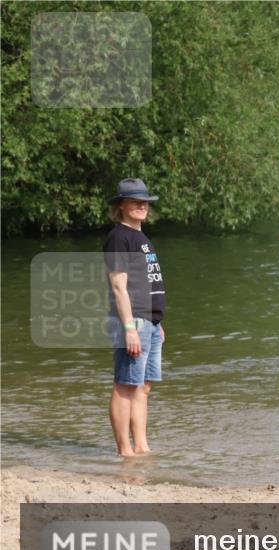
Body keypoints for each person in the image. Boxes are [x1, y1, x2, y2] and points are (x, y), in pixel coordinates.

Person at [103, 178, 165, 457]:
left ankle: (141, 447)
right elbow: (119, 286)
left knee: (143, 386)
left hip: (149, 322)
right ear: (121, 206)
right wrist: (129, 328)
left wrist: (157, 323)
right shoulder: (119, 237)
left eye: (145, 202)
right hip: (132, 323)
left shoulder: (142, 238)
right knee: (125, 385)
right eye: (135, 201)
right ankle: (125, 451)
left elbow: (147, 282)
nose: (142, 205)